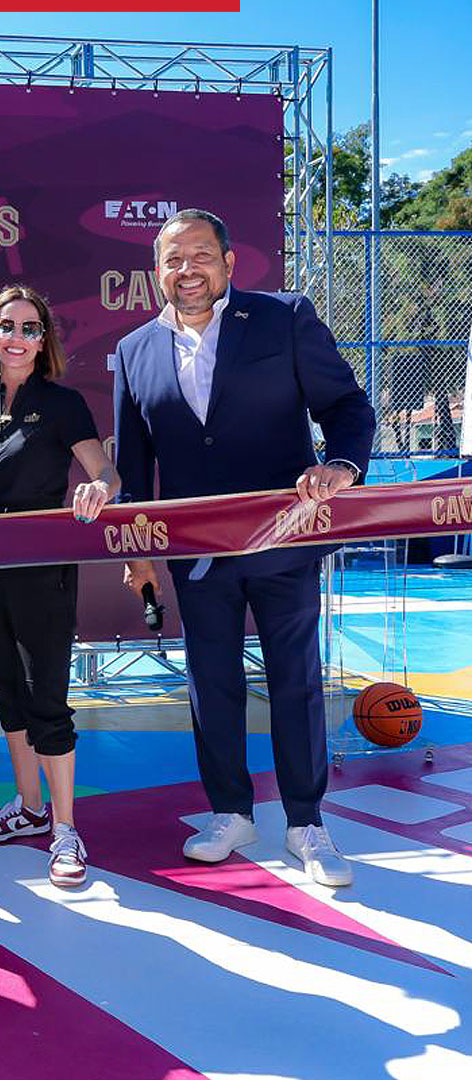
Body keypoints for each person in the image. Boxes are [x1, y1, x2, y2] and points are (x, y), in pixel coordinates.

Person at [113, 208, 375, 887]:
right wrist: (138, 554)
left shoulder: (284, 318)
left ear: (229, 262)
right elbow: (135, 470)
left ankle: (305, 822)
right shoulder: (135, 351)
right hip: (197, 556)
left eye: (200, 254)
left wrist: (342, 467)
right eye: (173, 258)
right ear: (157, 271)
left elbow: (348, 406)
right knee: (212, 684)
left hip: (285, 545)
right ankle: (229, 809)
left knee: (295, 680)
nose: (187, 269)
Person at [0, 287, 119, 887]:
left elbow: (106, 472)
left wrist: (100, 489)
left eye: (30, 328)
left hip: (43, 570)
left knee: (47, 698)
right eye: (6, 326)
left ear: (44, 341)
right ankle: (28, 807)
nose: (17, 337)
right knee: (6, 695)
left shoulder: (64, 404)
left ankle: (65, 830)